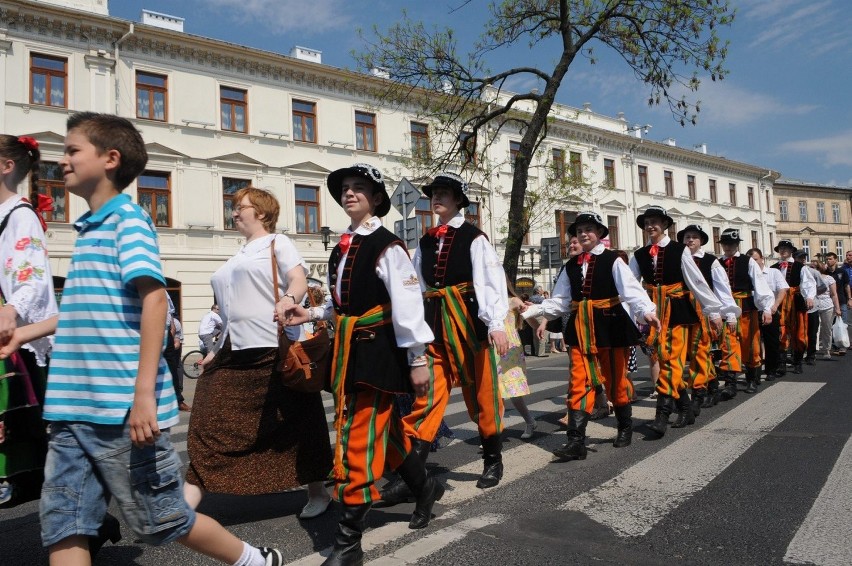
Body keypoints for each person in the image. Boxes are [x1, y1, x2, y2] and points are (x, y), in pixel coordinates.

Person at [34, 112, 282, 566]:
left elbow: (154, 301)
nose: (62, 160)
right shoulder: (85, 231)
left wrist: (144, 394)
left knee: (163, 518)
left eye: (72, 151)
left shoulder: (127, 220)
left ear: (110, 159)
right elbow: (76, 312)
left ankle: (253, 560)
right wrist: (22, 333)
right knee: (64, 524)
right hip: (71, 407)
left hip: (119, 410)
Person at [284, 163, 442, 566]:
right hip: (350, 351)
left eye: (359, 188)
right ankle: (424, 489)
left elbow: (408, 306)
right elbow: (343, 306)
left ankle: (347, 544)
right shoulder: (342, 246)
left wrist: (418, 358)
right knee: (387, 435)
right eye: (345, 189)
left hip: (378, 354)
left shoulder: (388, 245)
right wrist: (314, 316)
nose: (349, 193)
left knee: (358, 440)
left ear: (375, 199)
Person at [185, 186, 332, 523]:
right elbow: (229, 311)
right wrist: (214, 350)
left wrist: (288, 300)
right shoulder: (236, 256)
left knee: (298, 421)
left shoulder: (277, 243)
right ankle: (186, 501)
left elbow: (297, 278)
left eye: (242, 207)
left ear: (262, 213)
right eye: (233, 206)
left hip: (271, 346)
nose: (234, 211)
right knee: (208, 420)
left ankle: (317, 490)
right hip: (233, 352)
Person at [399, 171, 509, 491]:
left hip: (472, 323)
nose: (437, 197)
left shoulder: (475, 238)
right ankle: (413, 471)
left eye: (445, 192)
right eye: (434, 192)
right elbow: (416, 286)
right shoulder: (426, 240)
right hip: (435, 323)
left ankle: (493, 460)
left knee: (485, 395)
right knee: (428, 396)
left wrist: (496, 324)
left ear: (459, 200)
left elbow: (490, 281)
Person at [526, 211, 659, 459]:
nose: (583, 234)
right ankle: (576, 441)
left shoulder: (613, 261)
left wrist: (646, 312)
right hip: (580, 327)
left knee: (615, 379)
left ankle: (624, 426)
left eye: (589, 229)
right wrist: (532, 309)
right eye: (579, 231)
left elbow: (631, 291)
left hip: (611, 325)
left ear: (599, 234)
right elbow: (561, 301)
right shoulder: (570, 266)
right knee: (579, 380)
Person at [0, 134, 59, 508]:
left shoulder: (20, 216)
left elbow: (33, 277)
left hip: (13, 333)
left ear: (7, 166)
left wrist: (9, 310)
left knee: (23, 429)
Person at [629, 206, 722, 438]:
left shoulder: (680, 250)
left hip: (678, 311)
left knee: (671, 362)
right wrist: (635, 312)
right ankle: (686, 407)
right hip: (653, 313)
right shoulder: (639, 254)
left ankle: (661, 416)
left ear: (665, 225)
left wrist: (713, 311)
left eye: (656, 222)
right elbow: (630, 287)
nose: (651, 226)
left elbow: (697, 282)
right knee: (663, 359)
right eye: (648, 222)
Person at [676, 224, 739, 411]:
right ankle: (710, 386)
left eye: (694, 237)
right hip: (684, 309)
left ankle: (700, 391)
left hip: (705, 310)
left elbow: (722, 288)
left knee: (701, 351)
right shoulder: (679, 259)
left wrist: (728, 314)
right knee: (691, 353)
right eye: (687, 237)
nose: (690, 240)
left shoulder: (710, 261)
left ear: (701, 241)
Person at [717, 229, 774, 395]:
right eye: (725, 244)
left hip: (746, 306)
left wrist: (767, 308)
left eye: (731, 244)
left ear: (737, 245)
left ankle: (751, 379)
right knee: (728, 344)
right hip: (726, 308)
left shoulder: (748, 261)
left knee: (750, 343)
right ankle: (730, 383)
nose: (728, 247)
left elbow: (760, 284)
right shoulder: (718, 263)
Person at [771, 240, 816, 375]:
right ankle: (782, 363)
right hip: (779, 301)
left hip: (795, 300)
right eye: (781, 248)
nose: (783, 250)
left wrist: (809, 297)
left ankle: (797, 362)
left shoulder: (800, 267)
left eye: (786, 248)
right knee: (780, 331)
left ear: (791, 251)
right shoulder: (773, 267)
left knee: (799, 331)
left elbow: (808, 283)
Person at [500, 279, 537, 440]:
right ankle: (494, 431)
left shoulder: (513, 300)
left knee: (514, 392)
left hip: (511, 349)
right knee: (496, 392)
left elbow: (532, 321)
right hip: (493, 347)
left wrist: (540, 325)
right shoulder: (489, 301)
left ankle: (530, 421)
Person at [747, 248, 788, 381]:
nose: (753, 263)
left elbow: (782, 290)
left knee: (771, 342)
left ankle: (771, 369)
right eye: (751, 260)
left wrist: (775, 306)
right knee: (753, 342)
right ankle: (756, 370)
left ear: (762, 259)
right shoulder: (748, 274)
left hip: (771, 310)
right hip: (753, 311)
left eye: (755, 260)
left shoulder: (773, 272)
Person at [164, 292, 189, 411]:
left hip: (167, 332)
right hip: (154, 330)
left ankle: (178, 400)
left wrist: (172, 327)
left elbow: (170, 312)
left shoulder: (164, 291)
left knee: (172, 367)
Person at [812, 262, 840, 360]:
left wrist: (837, 308)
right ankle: (813, 350)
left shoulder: (829, 279)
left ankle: (827, 349)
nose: (811, 269)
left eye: (813, 267)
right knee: (815, 328)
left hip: (827, 306)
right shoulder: (810, 279)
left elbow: (833, 294)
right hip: (813, 305)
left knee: (826, 328)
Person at [824, 252, 850, 355]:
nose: (828, 261)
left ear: (835, 260)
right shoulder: (825, 272)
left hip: (842, 300)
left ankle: (842, 346)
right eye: (827, 259)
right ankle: (835, 345)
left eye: (830, 259)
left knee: (842, 324)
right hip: (829, 302)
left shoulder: (842, 271)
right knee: (832, 324)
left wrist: (850, 298)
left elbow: (846, 286)